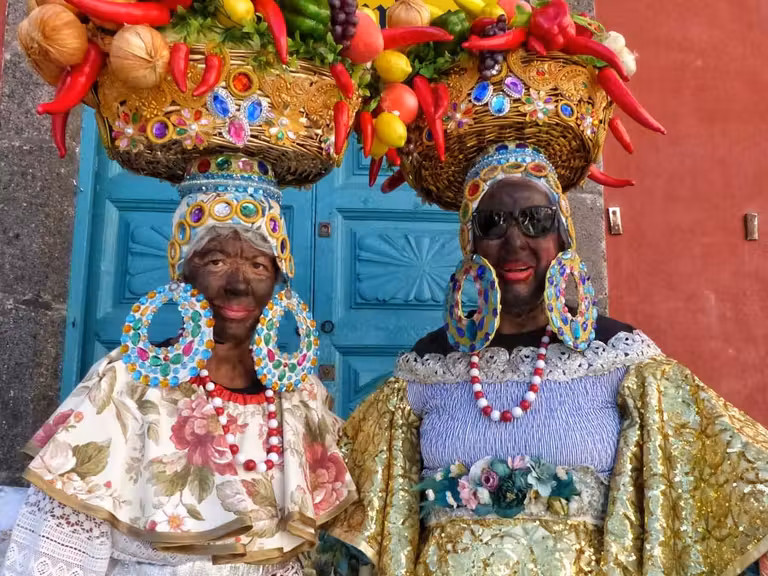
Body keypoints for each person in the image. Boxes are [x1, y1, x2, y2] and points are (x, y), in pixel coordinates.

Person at [318, 10, 768, 576]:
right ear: (468, 242)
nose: (513, 241)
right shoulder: (425, 372)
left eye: (534, 220)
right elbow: (350, 518)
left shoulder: (626, 363)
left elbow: (718, 500)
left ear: (564, 235)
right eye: (492, 223)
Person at [2, 153, 357, 575]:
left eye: (259, 265)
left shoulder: (302, 397)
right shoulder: (127, 384)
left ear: (278, 281)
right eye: (217, 261)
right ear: (184, 273)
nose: (239, 283)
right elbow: (60, 553)